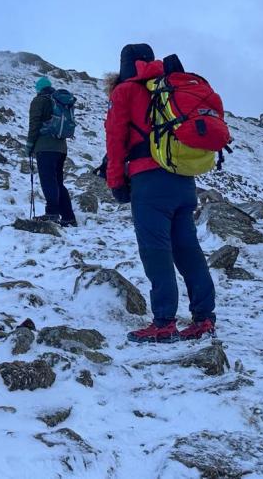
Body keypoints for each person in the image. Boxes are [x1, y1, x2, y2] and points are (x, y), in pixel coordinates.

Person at [104, 43, 216, 344]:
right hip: (182, 178)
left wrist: (116, 182)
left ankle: (164, 322)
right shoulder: (168, 85)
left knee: (156, 251)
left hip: (149, 181)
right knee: (188, 249)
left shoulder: (126, 91)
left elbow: (115, 140)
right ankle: (204, 318)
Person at [26, 76, 76, 227]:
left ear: (38, 89)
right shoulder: (59, 100)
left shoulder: (39, 100)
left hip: (45, 147)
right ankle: (68, 217)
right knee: (58, 182)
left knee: (48, 181)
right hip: (61, 148)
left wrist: (29, 145)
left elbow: (34, 123)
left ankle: (52, 213)